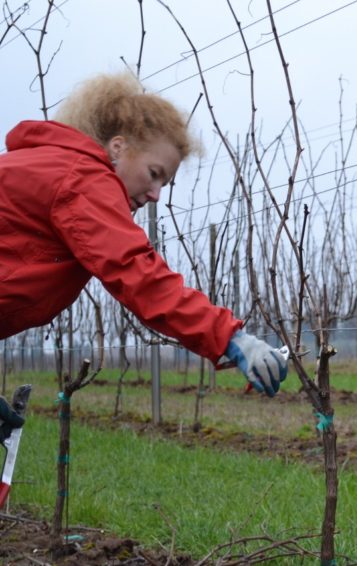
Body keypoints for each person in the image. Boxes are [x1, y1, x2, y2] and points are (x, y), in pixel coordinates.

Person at [0, 72, 287, 397]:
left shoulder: (51, 167)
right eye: (154, 174)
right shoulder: (82, 178)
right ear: (118, 147)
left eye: (163, 184)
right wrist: (231, 337)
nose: (155, 195)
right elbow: (135, 271)